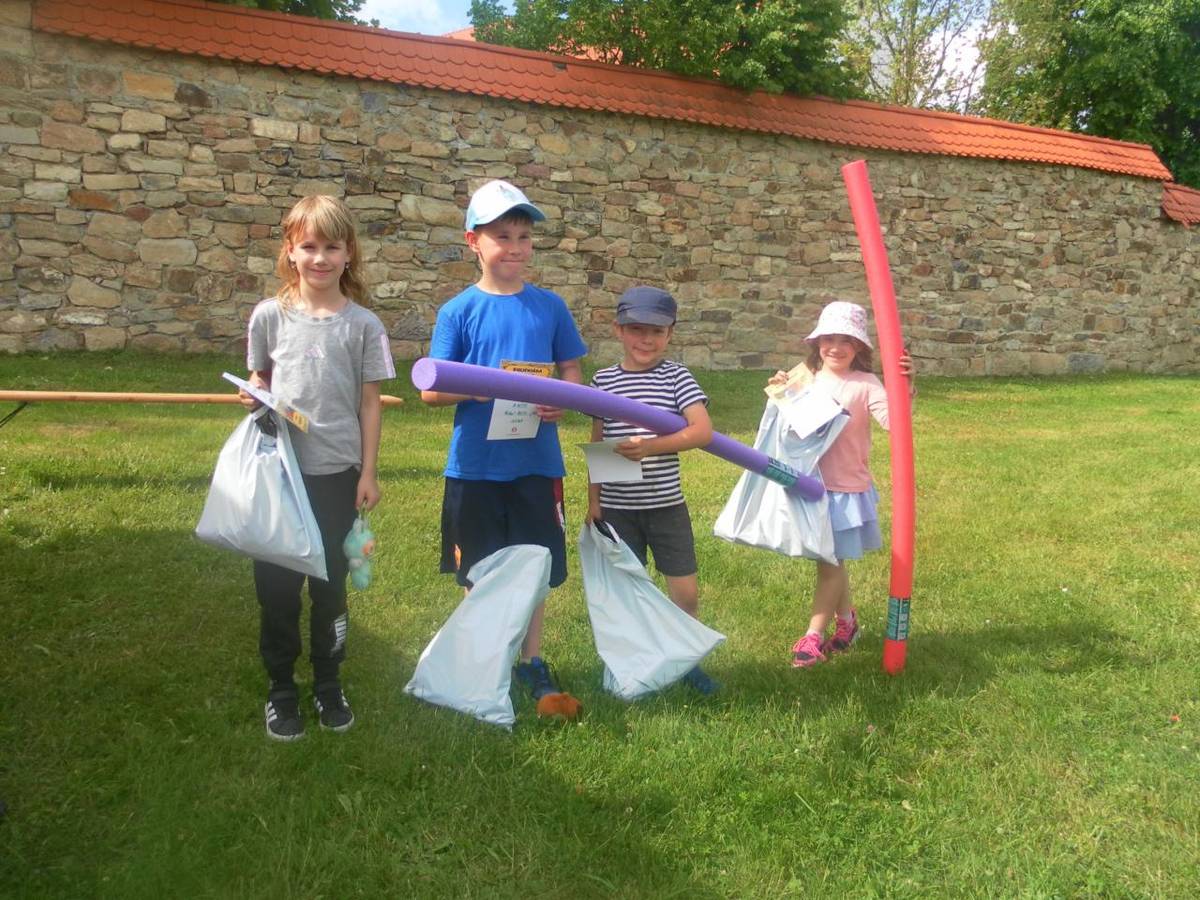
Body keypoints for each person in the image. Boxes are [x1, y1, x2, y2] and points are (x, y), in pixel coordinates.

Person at [419, 179, 587, 704]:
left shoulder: (550, 307)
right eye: (502, 236)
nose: (515, 247)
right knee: (480, 568)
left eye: (523, 237)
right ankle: (483, 658)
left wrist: (563, 399)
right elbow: (431, 391)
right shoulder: (458, 312)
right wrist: (479, 386)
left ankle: (532, 660)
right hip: (476, 467)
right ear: (473, 241)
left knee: (534, 564)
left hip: (536, 464)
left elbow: (571, 370)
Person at [239, 195, 395, 740]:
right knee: (277, 589)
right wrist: (253, 392)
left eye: (332, 246)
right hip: (279, 474)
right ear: (290, 251)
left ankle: (329, 682)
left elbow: (370, 403)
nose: (320, 258)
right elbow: (259, 379)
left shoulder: (364, 325)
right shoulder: (268, 316)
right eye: (309, 246)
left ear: (350, 253)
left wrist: (368, 473)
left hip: (337, 476)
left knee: (329, 587)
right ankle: (281, 689)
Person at [586, 286, 719, 694]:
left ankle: (687, 659)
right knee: (628, 593)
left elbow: (702, 431)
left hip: (666, 506)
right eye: (636, 330)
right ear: (618, 330)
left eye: (657, 332)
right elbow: (599, 440)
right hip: (617, 508)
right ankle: (633, 664)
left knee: (685, 592)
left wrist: (650, 448)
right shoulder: (603, 380)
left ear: (670, 334)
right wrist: (594, 501)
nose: (646, 340)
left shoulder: (676, 377)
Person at [766, 300, 913, 668]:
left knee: (829, 563)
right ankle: (847, 623)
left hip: (846, 489)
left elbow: (895, 423)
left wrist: (904, 387)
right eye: (828, 338)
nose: (835, 347)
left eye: (846, 340)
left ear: (859, 346)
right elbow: (786, 427)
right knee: (830, 560)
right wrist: (779, 391)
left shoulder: (866, 384)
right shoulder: (804, 377)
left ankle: (812, 637)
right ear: (817, 342)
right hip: (810, 485)